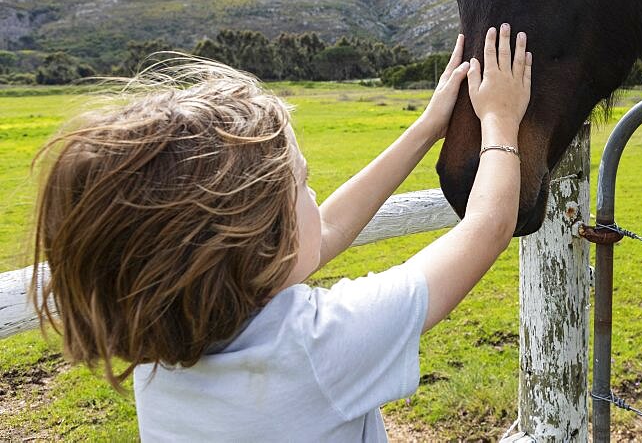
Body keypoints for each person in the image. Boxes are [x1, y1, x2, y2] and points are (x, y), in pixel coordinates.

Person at [31, 24, 531, 441]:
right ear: (260, 239)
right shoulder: (318, 348)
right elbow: (487, 227)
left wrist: (426, 127)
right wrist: (501, 120)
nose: (316, 198)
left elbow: (325, 229)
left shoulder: (159, 355)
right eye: (304, 184)